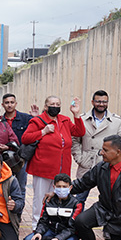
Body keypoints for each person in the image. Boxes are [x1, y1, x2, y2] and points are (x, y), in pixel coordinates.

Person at [21, 95, 84, 228]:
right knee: (40, 198)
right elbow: (26, 138)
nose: (55, 106)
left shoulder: (65, 120)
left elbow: (79, 132)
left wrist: (76, 114)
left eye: (57, 104)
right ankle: (36, 226)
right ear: (46, 106)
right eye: (52, 104)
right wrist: (43, 132)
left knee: (58, 198)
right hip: (43, 167)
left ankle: (53, 225)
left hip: (62, 169)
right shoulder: (38, 121)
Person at [71, 90, 121, 201]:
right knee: (79, 199)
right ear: (92, 102)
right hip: (86, 164)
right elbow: (75, 140)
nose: (101, 104)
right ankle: (75, 219)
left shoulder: (116, 121)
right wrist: (80, 158)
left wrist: (114, 161)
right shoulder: (82, 119)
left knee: (110, 199)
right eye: (98, 101)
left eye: (104, 102)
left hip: (108, 165)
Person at [22, 173, 83, 240]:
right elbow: (43, 221)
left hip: (68, 234)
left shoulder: (76, 204)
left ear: (70, 188)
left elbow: (72, 228)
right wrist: (38, 232)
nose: (61, 189)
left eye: (64, 186)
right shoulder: (49, 201)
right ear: (54, 187)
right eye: (59, 186)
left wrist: (59, 239)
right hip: (50, 231)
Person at [1, 94, 38, 190]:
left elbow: (36, 132)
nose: (9, 105)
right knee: (5, 185)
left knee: (21, 186)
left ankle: (19, 205)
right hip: (5, 158)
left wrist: (36, 118)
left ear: (16, 104)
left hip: (21, 158)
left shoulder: (26, 118)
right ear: (2, 105)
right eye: (7, 103)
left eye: (12, 102)